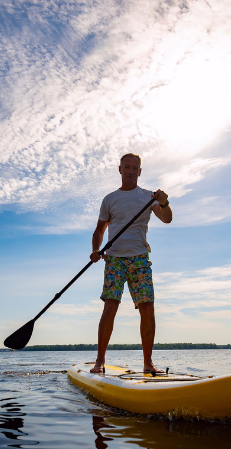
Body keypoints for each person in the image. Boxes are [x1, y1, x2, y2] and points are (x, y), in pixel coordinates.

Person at [90, 153, 172, 374]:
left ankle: (148, 363)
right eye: (127, 167)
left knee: (147, 308)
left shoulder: (149, 197)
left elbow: (167, 218)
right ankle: (99, 362)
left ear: (140, 171)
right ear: (120, 170)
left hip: (139, 259)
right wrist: (96, 250)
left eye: (134, 168)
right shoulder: (110, 199)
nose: (130, 171)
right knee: (110, 307)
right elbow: (99, 230)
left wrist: (164, 202)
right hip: (114, 259)